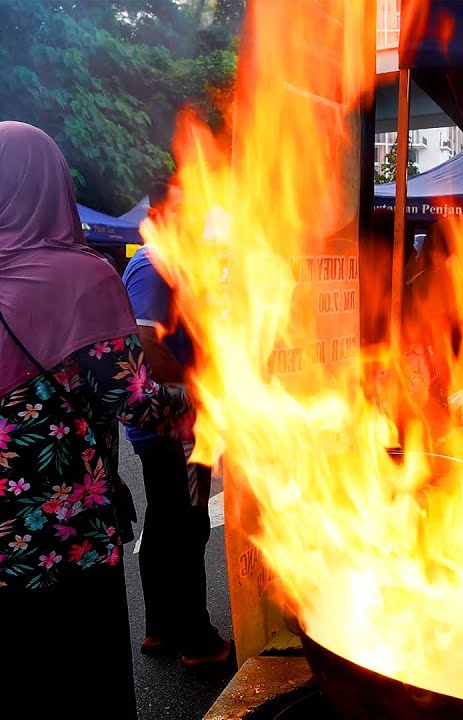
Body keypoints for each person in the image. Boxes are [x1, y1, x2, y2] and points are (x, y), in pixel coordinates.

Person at [0, 121, 192, 718]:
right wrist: (196, 401)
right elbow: (132, 397)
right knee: (81, 683)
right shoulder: (84, 278)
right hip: (70, 538)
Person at [123, 181, 231, 666]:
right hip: (175, 424)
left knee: (166, 522)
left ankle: (161, 628)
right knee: (187, 525)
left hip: (169, 422)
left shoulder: (169, 262)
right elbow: (148, 342)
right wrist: (194, 394)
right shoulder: (153, 265)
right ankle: (197, 640)